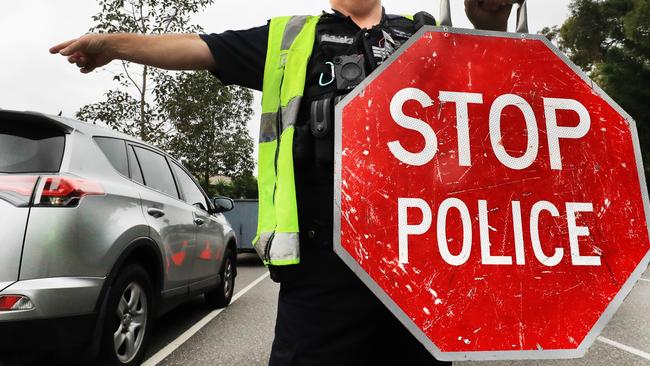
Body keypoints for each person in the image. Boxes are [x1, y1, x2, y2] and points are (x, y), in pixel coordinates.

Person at [50, 1, 513, 365]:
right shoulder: (290, 37)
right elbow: (197, 46)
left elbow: (486, 98)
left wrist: (491, 24)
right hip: (323, 266)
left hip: (418, 269)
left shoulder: (422, 31)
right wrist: (112, 45)